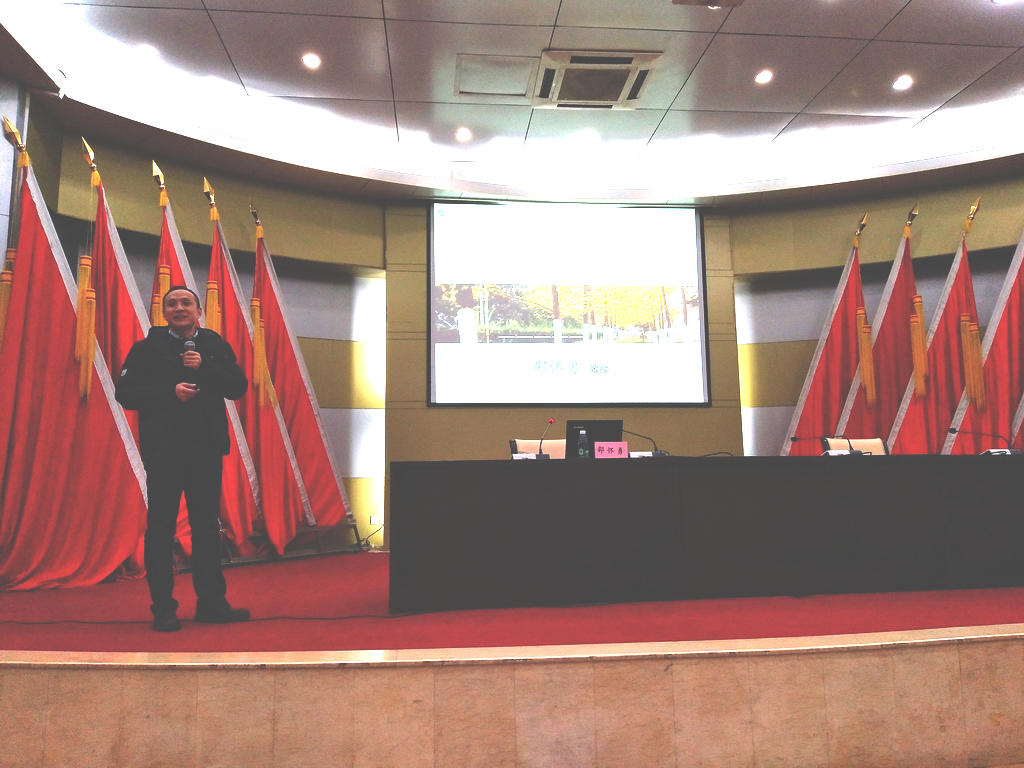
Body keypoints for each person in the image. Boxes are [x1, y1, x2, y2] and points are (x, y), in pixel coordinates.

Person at [115, 286, 251, 632]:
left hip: (206, 450)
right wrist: (169, 392)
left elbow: (237, 387)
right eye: (172, 304)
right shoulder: (146, 349)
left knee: (206, 528)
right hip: (164, 452)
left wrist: (204, 367)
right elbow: (125, 393)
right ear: (164, 313)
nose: (179, 308)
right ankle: (163, 608)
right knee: (161, 529)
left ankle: (212, 604)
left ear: (198, 311)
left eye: (186, 303)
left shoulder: (214, 345)